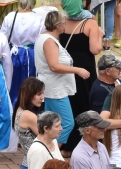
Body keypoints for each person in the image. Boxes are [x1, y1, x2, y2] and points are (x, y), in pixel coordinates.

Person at [35, 10, 89, 152]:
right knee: (66, 122)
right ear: (57, 25)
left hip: (54, 87)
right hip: (55, 89)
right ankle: (52, 152)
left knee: (50, 122)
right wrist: (77, 70)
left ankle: (48, 151)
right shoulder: (49, 41)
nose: (65, 24)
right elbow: (54, 65)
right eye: (63, 22)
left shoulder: (47, 38)